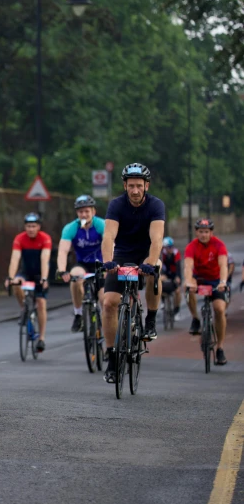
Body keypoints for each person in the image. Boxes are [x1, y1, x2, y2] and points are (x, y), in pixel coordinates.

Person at [101, 163, 165, 384]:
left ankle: (151, 320)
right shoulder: (116, 205)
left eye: (139, 185)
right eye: (131, 186)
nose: (135, 190)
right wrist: (108, 261)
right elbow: (109, 236)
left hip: (147, 252)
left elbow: (157, 239)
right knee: (109, 303)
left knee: (155, 271)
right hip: (122, 254)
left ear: (146, 185)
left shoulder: (156, 205)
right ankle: (111, 356)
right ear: (125, 186)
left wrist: (150, 262)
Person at [57, 195, 105, 332]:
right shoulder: (71, 228)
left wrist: (109, 265)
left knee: (103, 298)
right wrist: (62, 270)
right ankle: (78, 314)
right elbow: (63, 251)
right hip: (83, 264)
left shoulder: (101, 225)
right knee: (75, 277)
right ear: (77, 213)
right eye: (80, 212)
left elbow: (110, 246)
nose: (84, 215)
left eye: (87, 211)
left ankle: (104, 318)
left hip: (101, 264)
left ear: (93, 212)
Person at [184, 218, 228, 365]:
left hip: (215, 280)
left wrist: (223, 282)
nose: (203, 235)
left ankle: (220, 348)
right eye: (201, 232)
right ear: (196, 232)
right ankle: (196, 319)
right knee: (188, 288)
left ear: (211, 233)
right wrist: (189, 281)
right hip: (199, 278)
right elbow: (188, 267)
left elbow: (223, 265)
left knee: (219, 309)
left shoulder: (219, 245)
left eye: (206, 232)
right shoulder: (191, 246)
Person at [5, 213, 52, 352]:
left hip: (39, 273)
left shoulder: (44, 238)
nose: (31, 229)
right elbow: (15, 259)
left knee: (41, 303)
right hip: (25, 272)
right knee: (16, 284)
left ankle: (41, 338)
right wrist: (10, 277)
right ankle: (24, 308)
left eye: (33, 226)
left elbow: (45, 259)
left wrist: (44, 278)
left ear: (38, 227)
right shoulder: (20, 238)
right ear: (25, 227)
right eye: (28, 226)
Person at [160, 236, 182, 317]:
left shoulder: (176, 253)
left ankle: (177, 309)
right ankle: (162, 301)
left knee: (178, 291)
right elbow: (160, 265)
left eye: (171, 247)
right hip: (165, 273)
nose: (170, 249)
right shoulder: (162, 254)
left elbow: (178, 266)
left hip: (174, 273)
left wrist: (177, 277)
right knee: (158, 283)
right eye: (168, 247)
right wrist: (162, 275)